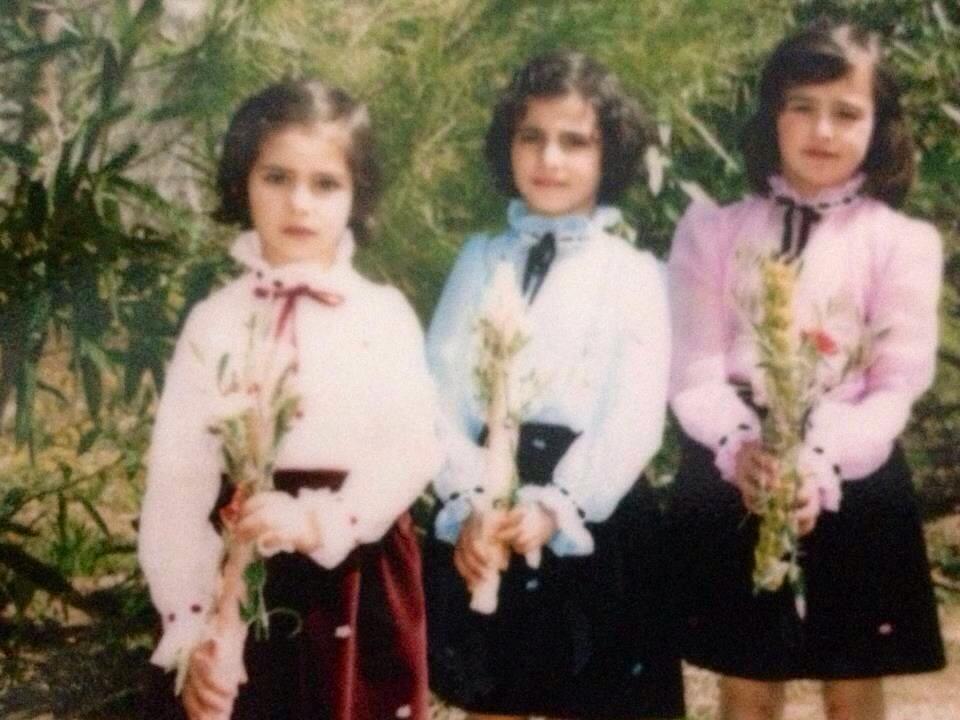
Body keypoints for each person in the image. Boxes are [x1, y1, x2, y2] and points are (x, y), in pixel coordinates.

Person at [667, 18, 945, 720]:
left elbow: (896, 384)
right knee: (747, 680)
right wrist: (739, 448)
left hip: (853, 467)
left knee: (852, 681)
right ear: (773, 114)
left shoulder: (900, 242)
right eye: (802, 107)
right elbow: (695, 369)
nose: (823, 131)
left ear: (879, 127)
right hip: (738, 460)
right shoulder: (715, 231)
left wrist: (819, 460)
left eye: (847, 113)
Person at [138, 79, 442, 720]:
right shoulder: (215, 320)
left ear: (358, 194)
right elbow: (177, 479)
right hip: (239, 570)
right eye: (277, 177)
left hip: (352, 573)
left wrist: (320, 522)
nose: (299, 203)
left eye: (325, 184)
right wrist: (192, 623)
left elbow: (414, 446)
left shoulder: (381, 314)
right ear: (241, 182)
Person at [423, 50, 682, 720]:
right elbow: (438, 389)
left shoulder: (633, 272)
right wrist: (471, 497)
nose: (550, 158)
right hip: (490, 506)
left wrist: (559, 505)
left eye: (575, 142)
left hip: (591, 512)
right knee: (498, 695)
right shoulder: (480, 259)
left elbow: (633, 415)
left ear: (609, 154)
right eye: (531, 137)